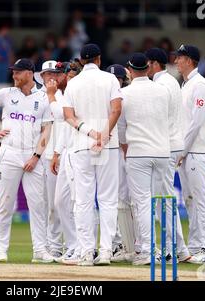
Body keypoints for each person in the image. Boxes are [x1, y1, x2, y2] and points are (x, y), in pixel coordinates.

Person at [0, 58, 54, 264]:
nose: (14, 76)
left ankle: (40, 250)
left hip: (33, 155)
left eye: (17, 72)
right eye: (13, 72)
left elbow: (47, 130)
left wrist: (36, 156)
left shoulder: (44, 97)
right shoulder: (6, 94)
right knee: (5, 204)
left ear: (29, 73)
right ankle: (1, 250)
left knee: (38, 204)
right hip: (9, 153)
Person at [63, 44, 122, 266]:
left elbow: (69, 116)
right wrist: (103, 135)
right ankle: (106, 252)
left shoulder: (73, 83)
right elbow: (116, 110)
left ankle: (87, 252)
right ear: (98, 59)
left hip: (81, 145)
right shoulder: (110, 79)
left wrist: (90, 132)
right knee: (107, 200)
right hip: (107, 144)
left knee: (84, 201)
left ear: (81, 61)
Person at [118, 53, 170, 265]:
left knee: (141, 202)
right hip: (162, 152)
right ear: (148, 69)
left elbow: (121, 128)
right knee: (155, 201)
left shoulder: (124, 93)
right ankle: (154, 248)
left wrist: (125, 148)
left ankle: (148, 251)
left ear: (129, 71)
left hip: (138, 151)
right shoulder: (163, 91)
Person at [145, 47, 192, 263]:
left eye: (147, 63)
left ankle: (175, 249)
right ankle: (178, 248)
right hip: (171, 144)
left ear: (154, 64)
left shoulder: (161, 85)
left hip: (165, 146)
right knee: (164, 200)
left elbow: (157, 118)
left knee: (162, 200)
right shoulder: (171, 81)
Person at [174, 44, 205, 263]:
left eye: (179, 57)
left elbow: (195, 123)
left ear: (189, 60)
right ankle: (194, 246)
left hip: (196, 150)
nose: (176, 61)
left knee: (202, 199)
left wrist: (181, 150)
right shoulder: (186, 85)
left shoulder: (200, 85)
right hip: (186, 151)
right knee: (189, 199)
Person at [46, 61, 82, 264]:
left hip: (80, 151)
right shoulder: (66, 93)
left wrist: (51, 95)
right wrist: (57, 152)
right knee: (60, 201)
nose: (56, 78)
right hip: (67, 150)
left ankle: (83, 247)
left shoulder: (76, 92)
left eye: (61, 74)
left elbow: (59, 114)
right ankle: (73, 246)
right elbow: (64, 124)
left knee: (79, 201)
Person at [105, 64, 135, 263]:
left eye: (118, 79)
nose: (116, 82)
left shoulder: (125, 95)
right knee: (114, 198)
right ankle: (117, 244)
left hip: (125, 149)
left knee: (125, 198)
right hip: (111, 149)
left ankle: (131, 245)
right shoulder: (105, 96)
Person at [37, 60, 64, 259]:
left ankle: (57, 245)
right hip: (44, 156)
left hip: (64, 153)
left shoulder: (64, 95)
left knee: (61, 202)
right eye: (47, 74)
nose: (50, 77)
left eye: (54, 73)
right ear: (42, 76)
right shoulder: (37, 97)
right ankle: (47, 245)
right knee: (47, 204)